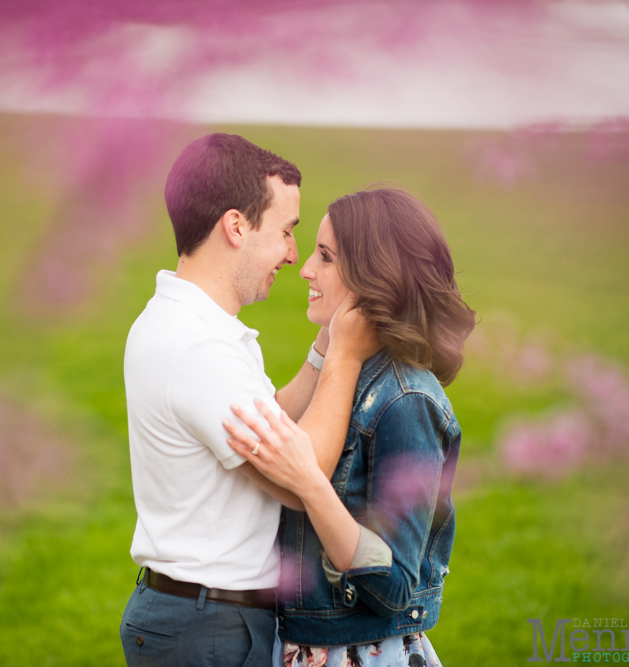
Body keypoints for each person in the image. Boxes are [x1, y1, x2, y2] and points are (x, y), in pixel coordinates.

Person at [120, 134, 381, 667]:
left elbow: (274, 421)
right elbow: (297, 473)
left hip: (200, 615)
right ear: (236, 226)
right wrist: (346, 358)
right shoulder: (198, 349)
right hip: (210, 626)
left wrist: (322, 345)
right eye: (286, 232)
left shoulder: (193, 325)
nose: (293, 255)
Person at [224, 187, 476, 666]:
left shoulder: (406, 401)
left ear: (372, 276)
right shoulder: (349, 376)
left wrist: (311, 487)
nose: (305, 269)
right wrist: (330, 348)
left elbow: (396, 584)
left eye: (326, 257)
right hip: (305, 644)